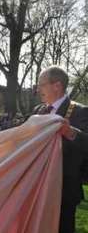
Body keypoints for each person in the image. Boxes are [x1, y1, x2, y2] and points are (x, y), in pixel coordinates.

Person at [34, 66, 88, 233]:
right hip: (38, 185)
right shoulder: (39, 111)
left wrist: (70, 132)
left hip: (64, 188)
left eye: (41, 84)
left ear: (56, 85)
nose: (38, 89)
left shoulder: (80, 111)